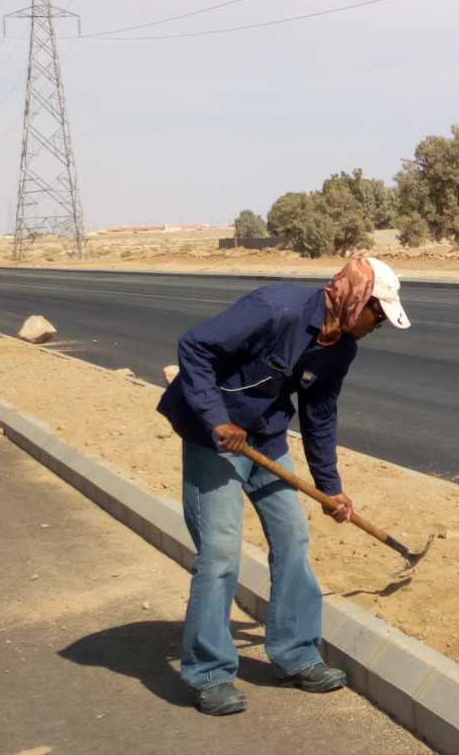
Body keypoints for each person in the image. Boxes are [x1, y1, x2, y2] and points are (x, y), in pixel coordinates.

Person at [157, 253, 411, 715]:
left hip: (267, 438)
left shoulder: (341, 348)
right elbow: (194, 346)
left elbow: (320, 413)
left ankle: (295, 656)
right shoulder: (277, 309)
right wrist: (216, 419)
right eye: (378, 315)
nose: (378, 326)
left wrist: (330, 486)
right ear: (359, 301)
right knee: (220, 552)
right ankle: (209, 674)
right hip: (214, 439)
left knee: (293, 538)